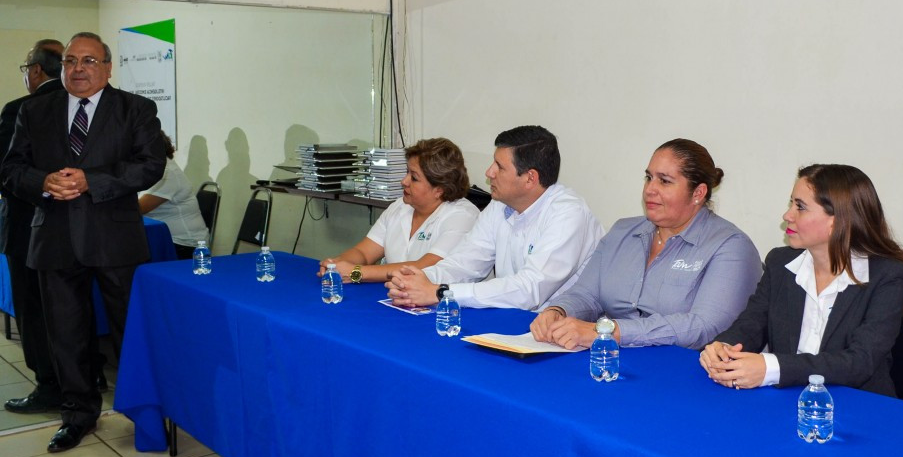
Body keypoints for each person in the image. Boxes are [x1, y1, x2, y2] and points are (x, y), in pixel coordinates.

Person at [0, 32, 166, 452]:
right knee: (66, 334)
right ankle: (77, 415)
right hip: (54, 238)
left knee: (131, 330)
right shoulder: (34, 110)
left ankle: (144, 412)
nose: (78, 68)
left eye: (89, 61)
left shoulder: (136, 109)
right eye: (72, 60)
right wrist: (44, 181)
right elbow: (11, 169)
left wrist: (93, 181)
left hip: (115, 238)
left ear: (108, 68)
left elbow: (149, 165)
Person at [699, 164, 903, 395]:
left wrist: (771, 367)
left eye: (800, 207)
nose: (787, 215)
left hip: (858, 404)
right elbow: (751, 325)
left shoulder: (890, 276)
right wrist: (723, 348)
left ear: (837, 220)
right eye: (791, 203)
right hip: (787, 398)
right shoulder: (780, 263)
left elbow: (859, 362)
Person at [530, 139, 762, 349]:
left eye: (665, 181)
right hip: (613, 360)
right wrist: (558, 311)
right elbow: (586, 294)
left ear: (698, 193)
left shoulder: (730, 246)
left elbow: (705, 327)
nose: (650, 189)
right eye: (649, 177)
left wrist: (610, 332)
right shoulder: (622, 232)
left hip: (685, 373)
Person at [387, 125, 604, 310]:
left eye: (499, 167)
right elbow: (466, 262)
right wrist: (419, 280)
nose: (489, 173)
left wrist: (441, 292)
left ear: (530, 178)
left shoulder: (568, 213)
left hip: (560, 334)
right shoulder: (499, 205)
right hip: (512, 322)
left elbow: (529, 290)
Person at [1, 39, 65, 414]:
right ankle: (84, 375)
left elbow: (5, 171)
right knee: (70, 307)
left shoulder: (19, 109)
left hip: (28, 227)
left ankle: (48, 386)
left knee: (33, 308)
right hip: (72, 229)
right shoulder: (81, 108)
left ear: (36, 71)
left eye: (26, 68)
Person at [320, 138, 479, 283]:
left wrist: (356, 273)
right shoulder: (400, 206)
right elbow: (363, 252)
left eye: (414, 178)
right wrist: (336, 266)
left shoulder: (462, 216)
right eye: (407, 172)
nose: (404, 181)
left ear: (439, 189)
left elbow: (423, 268)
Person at [138, 131, 209, 259]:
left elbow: (139, 208)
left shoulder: (168, 173)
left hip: (185, 245)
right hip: (167, 239)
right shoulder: (152, 170)